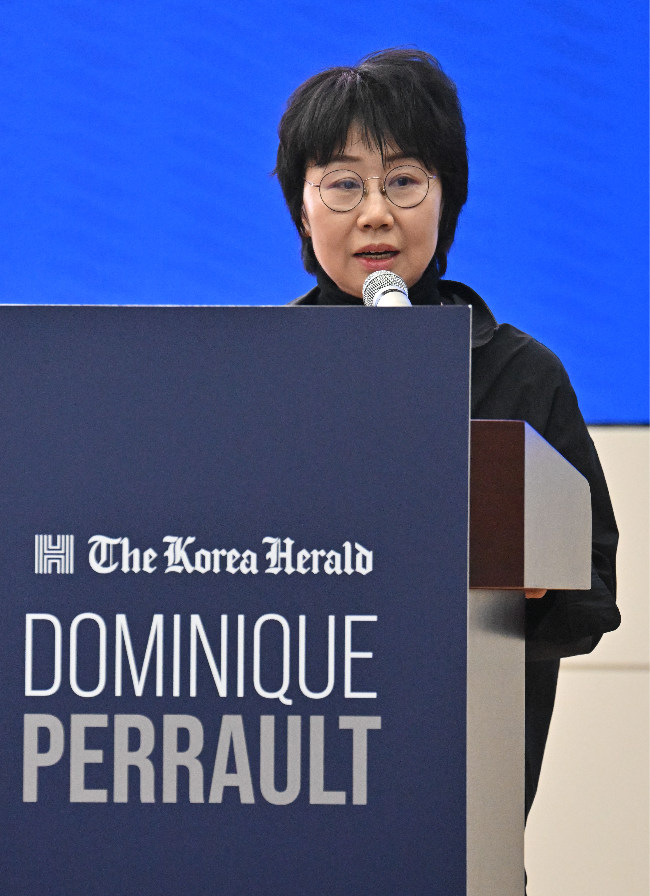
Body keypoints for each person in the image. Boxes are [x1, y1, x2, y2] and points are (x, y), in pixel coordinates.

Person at [274, 48, 621, 826]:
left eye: (403, 181)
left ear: (447, 199)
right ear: (303, 207)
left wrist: (534, 582)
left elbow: (593, 593)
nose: (374, 212)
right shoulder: (254, 375)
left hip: (463, 803)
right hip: (291, 785)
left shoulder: (521, 375)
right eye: (342, 183)